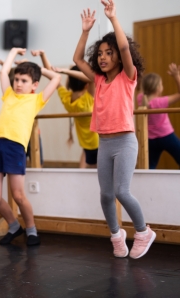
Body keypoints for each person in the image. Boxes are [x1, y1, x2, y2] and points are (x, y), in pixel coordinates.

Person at [73, 0, 155, 259]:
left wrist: (113, 18)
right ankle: (116, 235)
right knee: (106, 195)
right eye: (100, 53)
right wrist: (85, 31)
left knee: (121, 191)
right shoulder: (98, 80)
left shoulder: (128, 77)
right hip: (105, 143)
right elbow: (76, 59)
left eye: (109, 53)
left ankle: (143, 232)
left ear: (119, 56)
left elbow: (123, 45)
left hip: (125, 142)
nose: (103, 57)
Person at [0, 49, 60, 246]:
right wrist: (12, 53)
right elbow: (3, 73)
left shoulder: (37, 99)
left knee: (18, 195)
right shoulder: (9, 94)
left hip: (15, 147)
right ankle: (14, 226)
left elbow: (56, 77)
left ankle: (31, 230)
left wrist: (36, 66)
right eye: (17, 79)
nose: (18, 84)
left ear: (34, 85)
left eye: (24, 81)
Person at [33, 49, 99, 168]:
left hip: (85, 142)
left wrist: (43, 55)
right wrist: (67, 71)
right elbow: (93, 78)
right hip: (98, 141)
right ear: (86, 85)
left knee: (90, 164)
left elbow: (52, 77)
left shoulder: (67, 99)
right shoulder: (88, 99)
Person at [136, 63, 180, 169]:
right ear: (158, 88)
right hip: (167, 136)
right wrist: (176, 76)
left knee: (150, 166)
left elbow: (141, 89)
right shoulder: (161, 102)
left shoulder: (140, 99)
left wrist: (140, 76)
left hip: (150, 139)